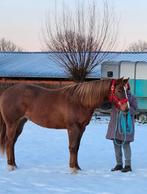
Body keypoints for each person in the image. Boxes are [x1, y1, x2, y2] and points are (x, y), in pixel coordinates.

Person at [106, 83, 137, 172]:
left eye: (126, 85)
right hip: (115, 125)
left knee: (126, 145)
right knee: (116, 145)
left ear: (128, 87)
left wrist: (126, 110)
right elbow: (107, 107)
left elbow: (135, 109)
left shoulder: (132, 98)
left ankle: (128, 165)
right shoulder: (115, 97)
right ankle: (119, 164)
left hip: (125, 125)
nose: (124, 86)